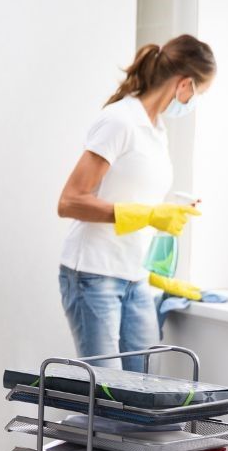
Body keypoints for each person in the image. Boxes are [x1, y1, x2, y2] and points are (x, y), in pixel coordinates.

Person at [56, 34, 216, 372]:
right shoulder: (119, 121)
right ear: (184, 84)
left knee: (143, 388)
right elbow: (70, 201)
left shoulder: (157, 129)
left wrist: (170, 209)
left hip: (134, 274)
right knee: (106, 393)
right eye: (198, 94)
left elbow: (132, 195)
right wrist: (149, 214)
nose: (194, 102)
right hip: (93, 274)